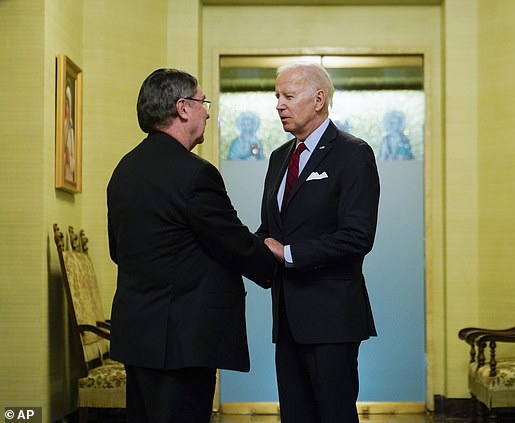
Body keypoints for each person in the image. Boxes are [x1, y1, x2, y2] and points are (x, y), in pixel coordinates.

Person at [106, 68, 278, 423]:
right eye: (203, 102)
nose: (208, 112)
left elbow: (117, 250)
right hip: (183, 342)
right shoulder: (195, 173)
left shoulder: (124, 169)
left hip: (138, 337)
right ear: (183, 108)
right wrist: (276, 259)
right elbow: (233, 243)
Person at [257, 63, 380, 423]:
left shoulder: (353, 154)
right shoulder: (280, 157)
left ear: (318, 99)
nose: (279, 104)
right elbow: (269, 231)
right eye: (277, 96)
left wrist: (289, 254)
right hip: (287, 319)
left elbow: (358, 236)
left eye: (288, 96)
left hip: (332, 320)